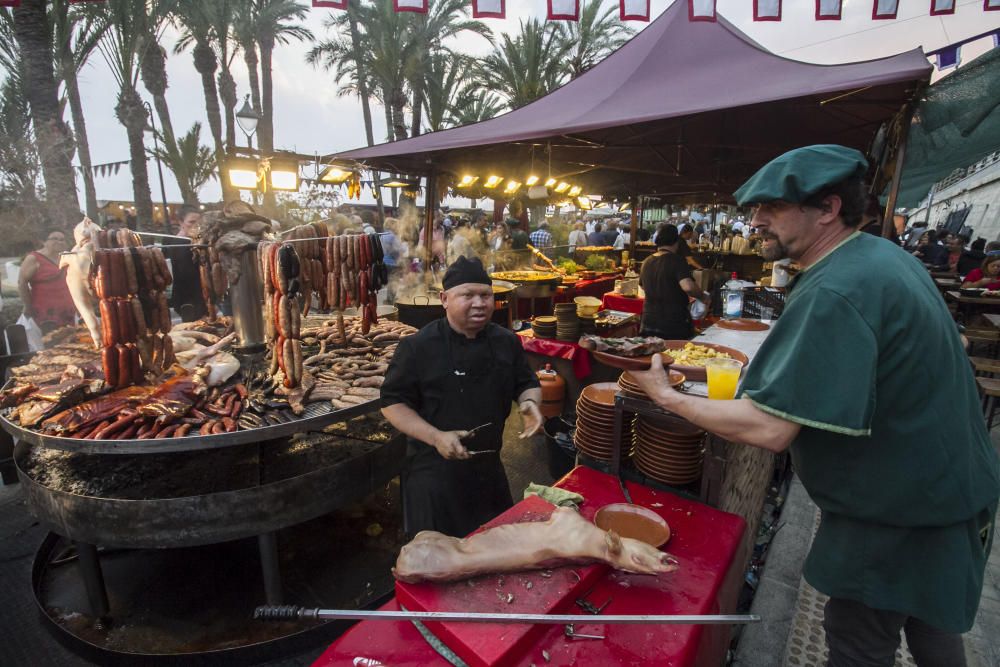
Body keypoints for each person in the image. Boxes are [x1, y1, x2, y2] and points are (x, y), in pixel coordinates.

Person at [630, 144, 999, 667]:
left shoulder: (839, 284)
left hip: (897, 507)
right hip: (948, 487)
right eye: (754, 209)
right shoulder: (879, 256)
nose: (756, 220)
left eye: (772, 207)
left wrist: (665, 394)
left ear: (827, 209)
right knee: (930, 623)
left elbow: (768, 427)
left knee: (858, 643)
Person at [380, 256, 543, 537]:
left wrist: (530, 403)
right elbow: (392, 403)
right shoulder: (417, 347)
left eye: (485, 295)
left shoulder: (507, 341)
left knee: (494, 549)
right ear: (444, 299)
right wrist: (436, 437)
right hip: (433, 473)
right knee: (436, 560)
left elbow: (526, 382)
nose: (479, 303)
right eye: (468, 295)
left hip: (488, 468)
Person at [639, 225, 710, 340]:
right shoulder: (677, 261)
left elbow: (642, 287)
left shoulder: (646, 262)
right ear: (676, 242)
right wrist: (703, 297)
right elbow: (688, 287)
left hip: (648, 322)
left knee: (653, 355)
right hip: (673, 324)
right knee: (675, 356)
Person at [17, 229, 75, 332]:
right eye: (55, 239)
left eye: (62, 239)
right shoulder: (34, 258)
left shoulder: (67, 257)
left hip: (67, 309)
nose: (60, 242)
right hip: (45, 312)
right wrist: (27, 305)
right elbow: (22, 283)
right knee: (49, 342)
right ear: (43, 242)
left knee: (69, 342)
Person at [162, 205, 207, 322]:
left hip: (200, 295)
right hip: (187, 298)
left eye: (198, 222)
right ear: (181, 222)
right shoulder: (178, 243)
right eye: (191, 222)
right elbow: (186, 274)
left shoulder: (195, 241)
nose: (196, 225)